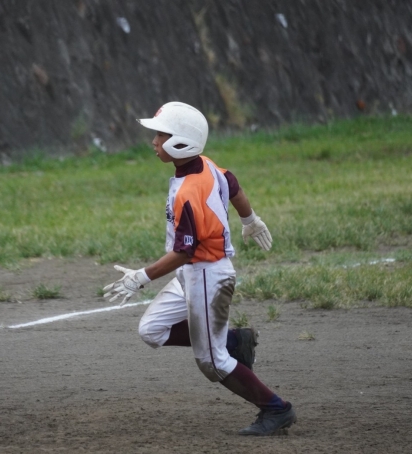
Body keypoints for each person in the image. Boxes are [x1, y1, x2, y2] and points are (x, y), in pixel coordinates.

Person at [103, 101, 296, 436]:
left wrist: (141, 276)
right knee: (151, 330)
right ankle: (234, 340)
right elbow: (232, 183)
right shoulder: (203, 165)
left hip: (208, 276)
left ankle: (276, 408)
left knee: (212, 362)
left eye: (161, 135)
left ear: (181, 141)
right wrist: (249, 219)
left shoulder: (189, 191)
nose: (153, 141)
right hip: (192, 273)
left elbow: (184, 251)